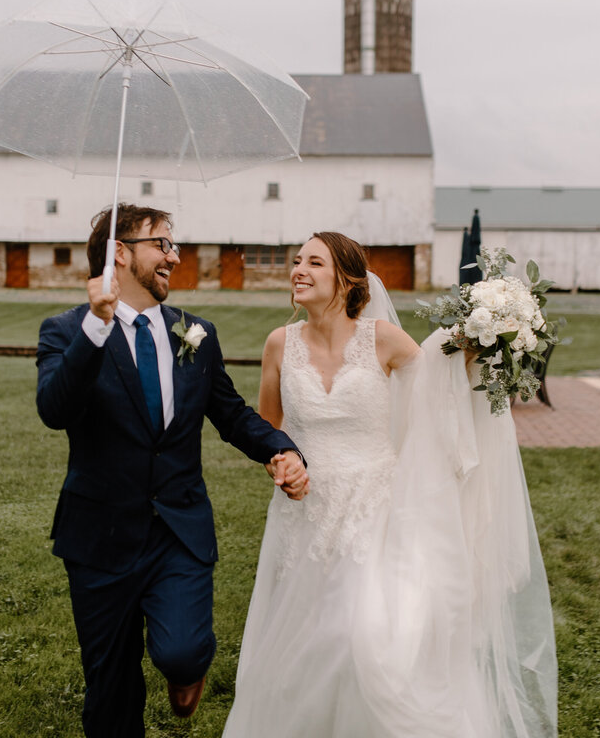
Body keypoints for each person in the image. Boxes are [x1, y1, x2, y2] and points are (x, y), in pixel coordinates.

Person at [223, 232, 557, 738]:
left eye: (314, 262)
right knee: (303, 646)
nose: (298, 269)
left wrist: (479, 338)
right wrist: (281, 463)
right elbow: (271, 428)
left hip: (374, 512)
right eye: (296, 262)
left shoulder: (381, 339)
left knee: (362, 638)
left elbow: (438, 390)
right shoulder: (278, 344)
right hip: (304, 514)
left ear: (347, 279)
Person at [36, 205, 309, 738]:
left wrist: (281, 448)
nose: (174, 256)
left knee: (183, 653)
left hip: (178, 530)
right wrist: (96, 326)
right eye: (162, 244)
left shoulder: (195, 333)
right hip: (99, 537)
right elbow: (55, 410)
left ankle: (186, 672)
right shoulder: (66, 329)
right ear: (121, 252)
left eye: (174, 244)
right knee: (110, 691)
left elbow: (229, 413)